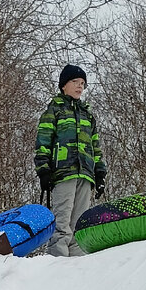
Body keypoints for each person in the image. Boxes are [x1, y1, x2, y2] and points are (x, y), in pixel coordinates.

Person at [34, 64, 107, 255]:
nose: (79, 86)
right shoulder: (54, 110)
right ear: (64, 85)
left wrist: (100, 172)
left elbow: (95, 145)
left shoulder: (88, 114)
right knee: (62, 223)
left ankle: (75, 266)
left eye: (82, 83)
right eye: (75, 81)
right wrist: (43, 169)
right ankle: (57, 263)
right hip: (63, 173)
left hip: (86, 174)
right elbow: (43, 142)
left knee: (79, 224)